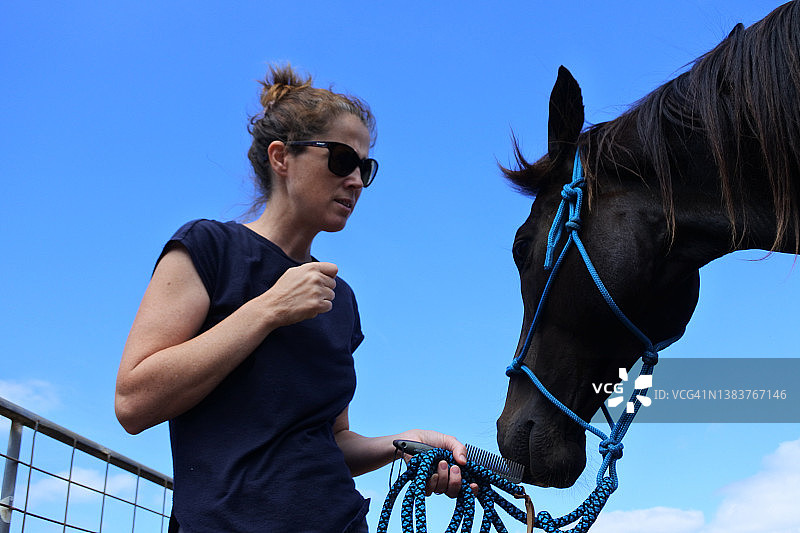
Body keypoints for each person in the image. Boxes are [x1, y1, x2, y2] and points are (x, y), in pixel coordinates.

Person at [114, 64, 474, 532]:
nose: (357, 182)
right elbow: (133, 400)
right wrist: (267, 310)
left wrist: (405, 443)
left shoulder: (339, 299)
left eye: (366, 168)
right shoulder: (209, 249)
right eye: (342, 160)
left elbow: (332, 440)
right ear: (281, 157)